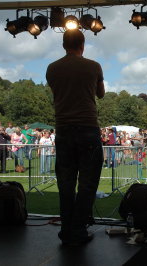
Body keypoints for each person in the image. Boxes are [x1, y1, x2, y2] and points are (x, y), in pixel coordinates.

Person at [46, 29, 105, 246]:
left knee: (66, 183)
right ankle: (79, 230)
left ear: (63, 44)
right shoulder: (94, 66)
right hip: (87, 128)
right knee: (88, 184)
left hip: (63, 129)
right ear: (83, 44)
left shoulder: (52, 68)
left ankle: (66, 230)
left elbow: (59, 93)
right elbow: (101, 94)